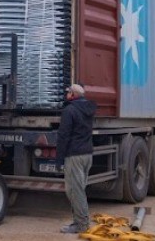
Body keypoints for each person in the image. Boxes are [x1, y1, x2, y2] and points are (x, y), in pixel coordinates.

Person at [56, 84, 96, 234]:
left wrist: (59, 159)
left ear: (73, 95)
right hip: (87, 154)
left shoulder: (69, 110)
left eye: (68, 92)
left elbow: (63, 136)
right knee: (79, 189)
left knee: (74, 190)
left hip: (74, 156)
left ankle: (81, 225)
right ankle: (80, 221)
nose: (66, 95)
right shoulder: (88, 109)